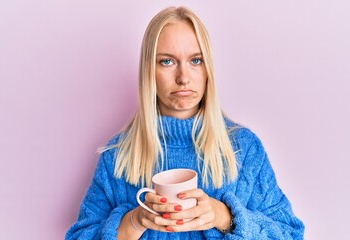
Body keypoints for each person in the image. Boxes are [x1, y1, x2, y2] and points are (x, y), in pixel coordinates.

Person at [65, 6, 304, 240]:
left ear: (208, 68)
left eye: (196, 60)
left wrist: (224, 217)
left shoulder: (244, 148)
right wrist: (134, 222)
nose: (183, 78)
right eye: (167, 62)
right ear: (149, 71)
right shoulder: (117, 156)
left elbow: (290, 233)